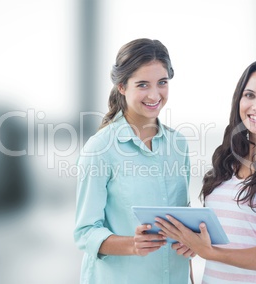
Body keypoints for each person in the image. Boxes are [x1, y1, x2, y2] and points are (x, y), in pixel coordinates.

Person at [155, 60, 256, 283]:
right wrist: (193, 241)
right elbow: (226, 235)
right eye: (250, 95)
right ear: (239, 100)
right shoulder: (226, 162)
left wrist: (209, 252)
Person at [73, 38, 193, 284]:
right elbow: (85, 233)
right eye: (142, 84)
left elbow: (182, 216)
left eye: (162, 83)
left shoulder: (178, 145)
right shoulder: (100, 149)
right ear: (121, 87)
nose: (154, 94)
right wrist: (132, 245)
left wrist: (191, 241)